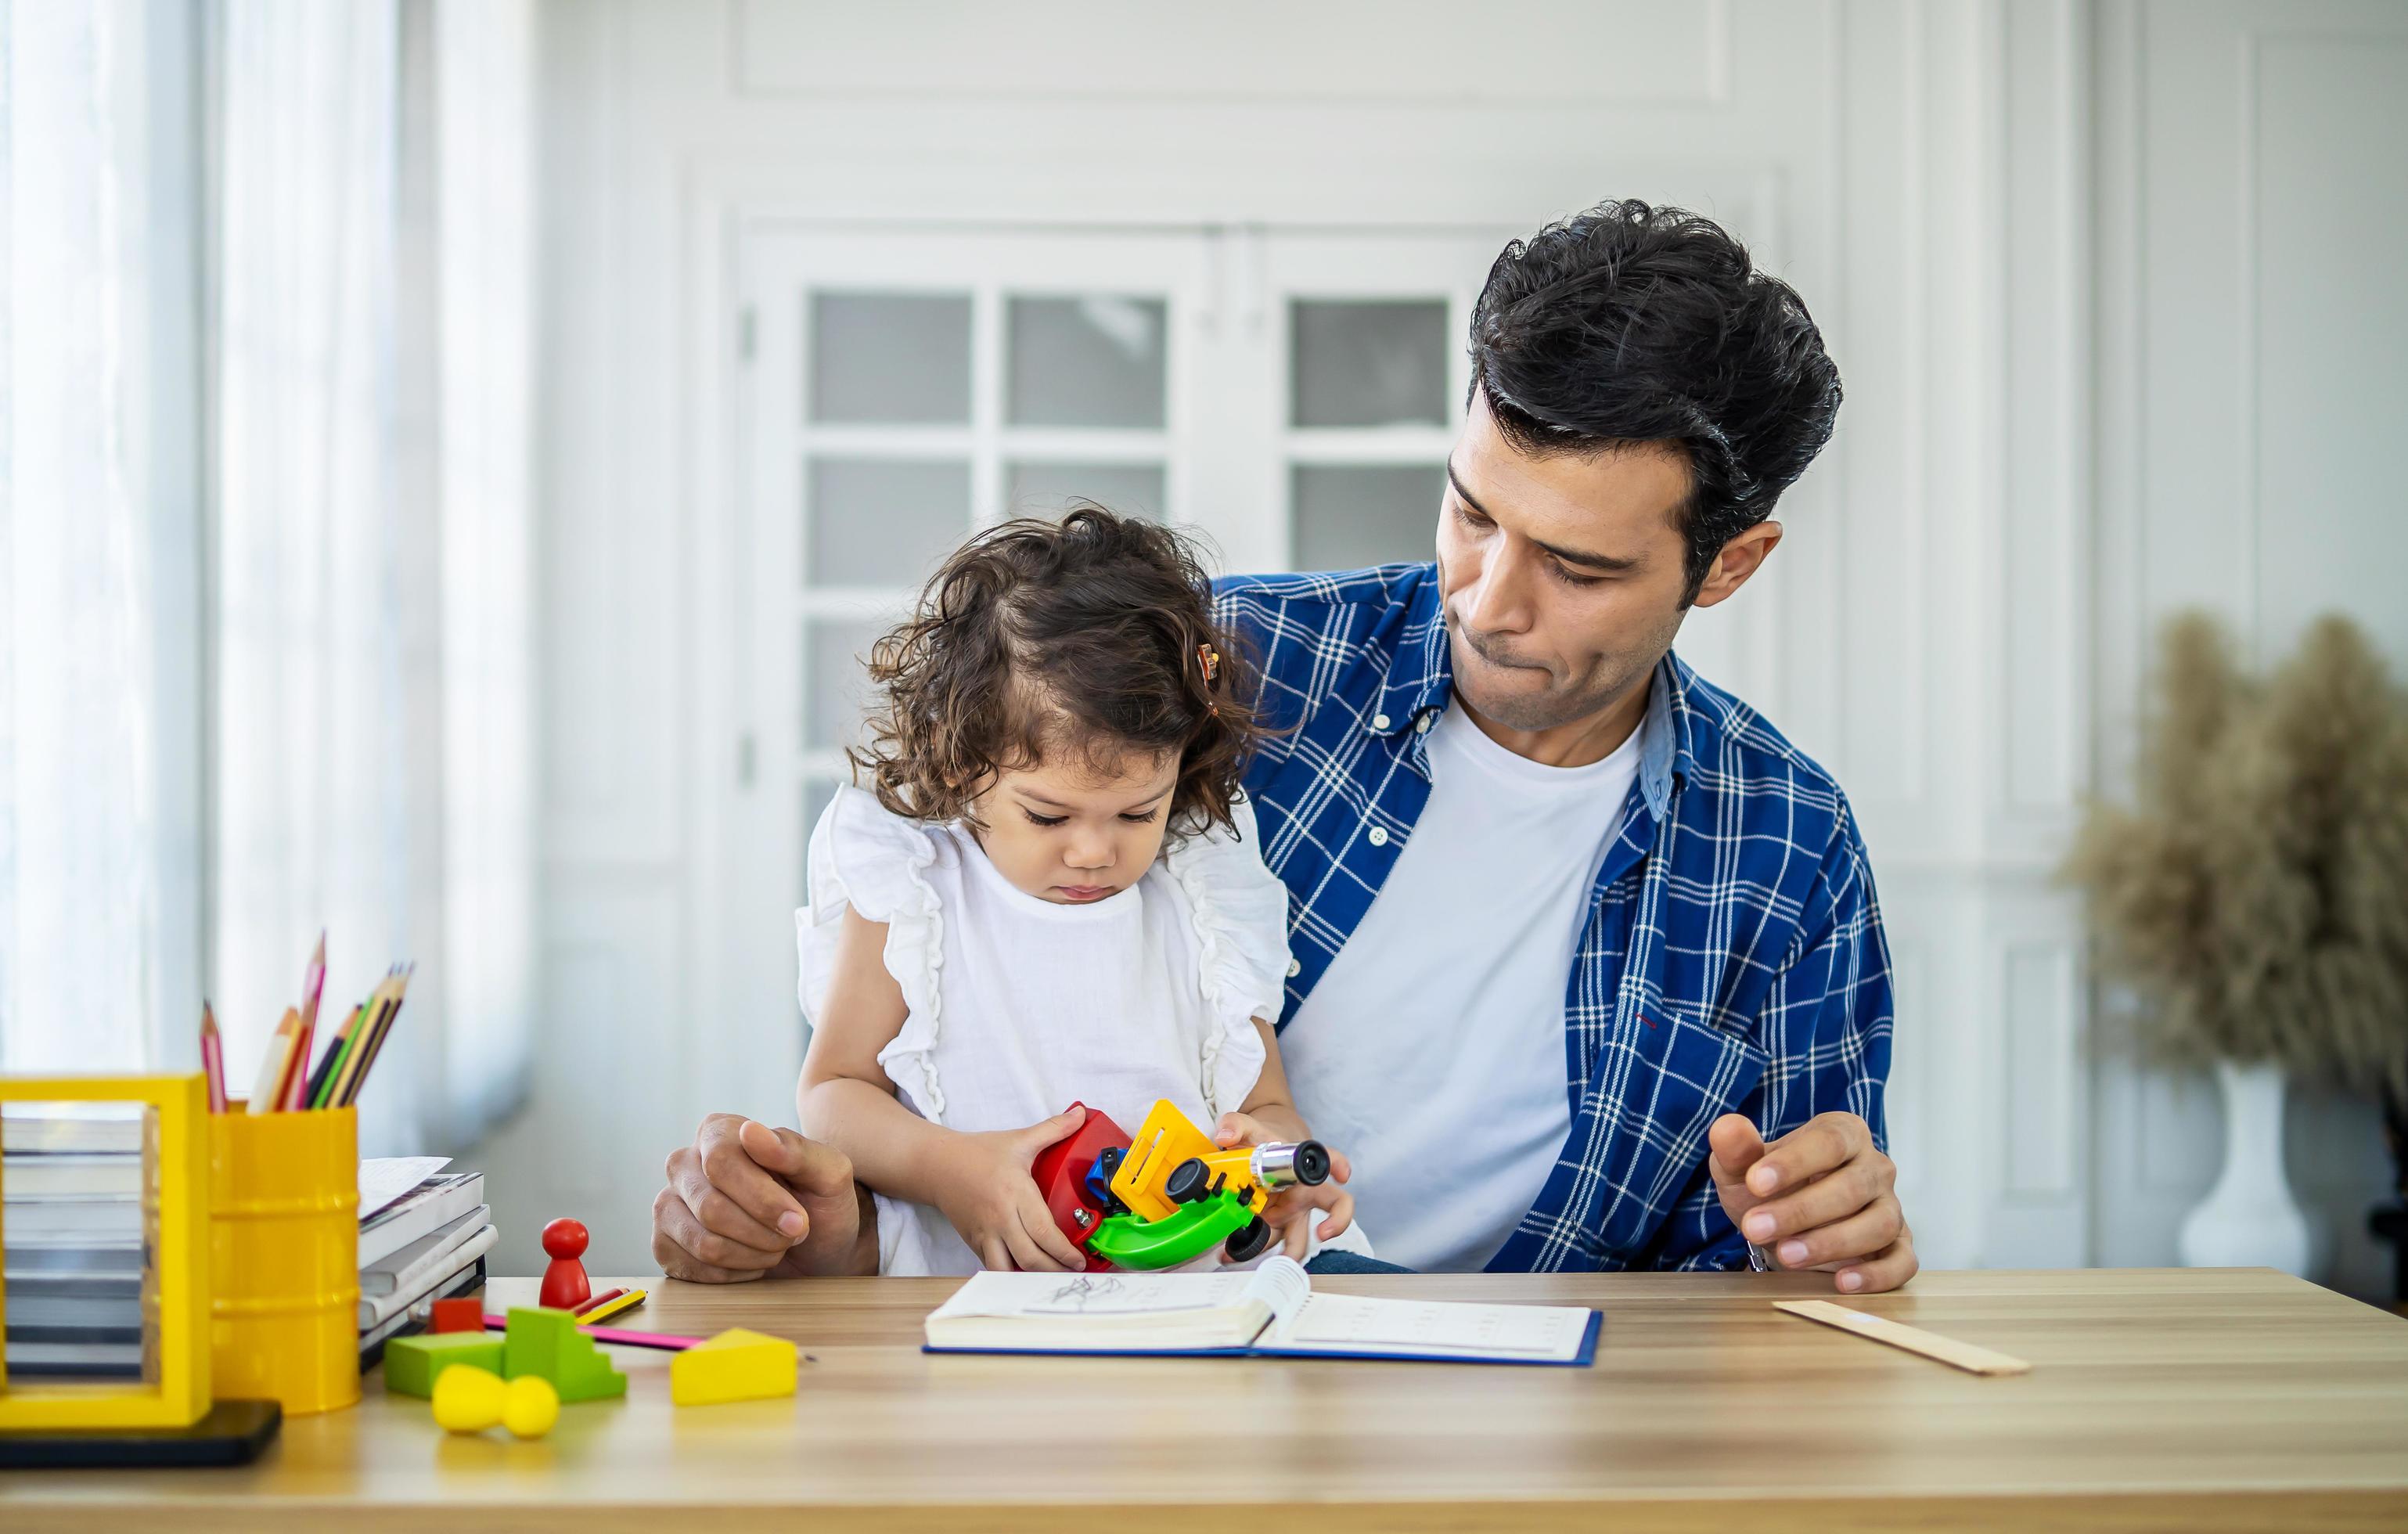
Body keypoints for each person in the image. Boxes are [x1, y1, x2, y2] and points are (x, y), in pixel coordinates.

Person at [654, 199, 1914, 1291]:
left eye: (1578, 567)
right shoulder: (1207, 674)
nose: (1486, 600)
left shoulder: (1788, 854)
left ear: (1729, 565)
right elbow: (939, 1021)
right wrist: (802, 1224)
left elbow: (1757, 1281)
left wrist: (1809, 1236)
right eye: (1471, 513)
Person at [787, 508, 1357, 1274]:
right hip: (980, 1302)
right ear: (964, 764)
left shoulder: (1197, 896)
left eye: (1137, 812)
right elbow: (832, 1094)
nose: (1094, 851)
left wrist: (1276, 1159)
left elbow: (1263, 1105)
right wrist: (949, 1167)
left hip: (1193, 1302)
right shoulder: (917, 889)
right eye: (1048, 814)